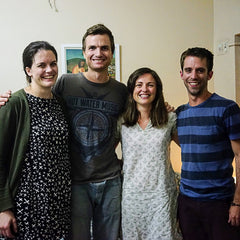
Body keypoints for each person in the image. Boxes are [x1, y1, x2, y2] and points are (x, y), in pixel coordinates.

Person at [0, 41, 71, 239]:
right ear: (29, 70)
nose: (49, 70)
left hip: (59, 203)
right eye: (41, 65)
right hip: (27, 206)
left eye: (53, 64)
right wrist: (3, 208)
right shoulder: (14, 103)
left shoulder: (60, 104)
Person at [176, 47, 240, 240]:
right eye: (188, 70)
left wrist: (237, 203)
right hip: (187, 203)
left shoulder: (227, 109)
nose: (193, 76)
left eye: (200, 70)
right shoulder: (179, 114)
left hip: (220, 202)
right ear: (181, 74)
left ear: (209, 74)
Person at [118, 67, 182, 240]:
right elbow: (106, 151)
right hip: (132, 197)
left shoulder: (169, 119)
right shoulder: (122, 122)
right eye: (139, 85)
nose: (144, 89)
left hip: (161, 196)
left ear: (158, 90)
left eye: (150, 85)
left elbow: (188, 147)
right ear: (131, 90)